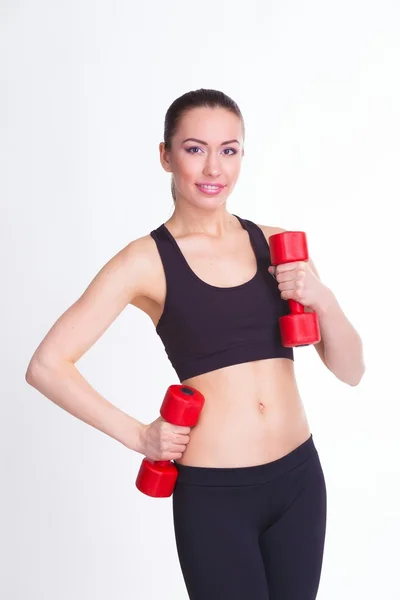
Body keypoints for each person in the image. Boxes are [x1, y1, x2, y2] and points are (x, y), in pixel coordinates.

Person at [25, 88, 365, 600]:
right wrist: (140, 436)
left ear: (243, 156)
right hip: (216, 495)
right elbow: (47, 365)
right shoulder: (145, 261)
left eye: (229, 149)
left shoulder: (277, 245)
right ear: (166, 156)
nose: (214, 167)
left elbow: (351, 369)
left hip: (298, 481)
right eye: (194, 148)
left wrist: (323, 298)